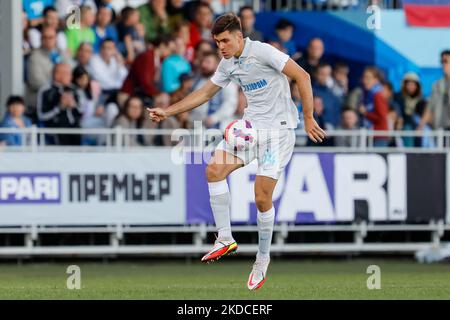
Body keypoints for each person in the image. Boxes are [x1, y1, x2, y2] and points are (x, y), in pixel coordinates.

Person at [147, 13, 325, 291]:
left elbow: (302, 75)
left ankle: (262, 259)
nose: (221, 46)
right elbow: (205, 93)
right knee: (213, 169)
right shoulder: (228, 63)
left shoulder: (264, 52)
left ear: (239, 37)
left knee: (261, 197)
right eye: (217, 42)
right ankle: (225, 238)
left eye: (225, 40)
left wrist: (309, 117)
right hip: (250, 129)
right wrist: (167, 111)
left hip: (277, 135)